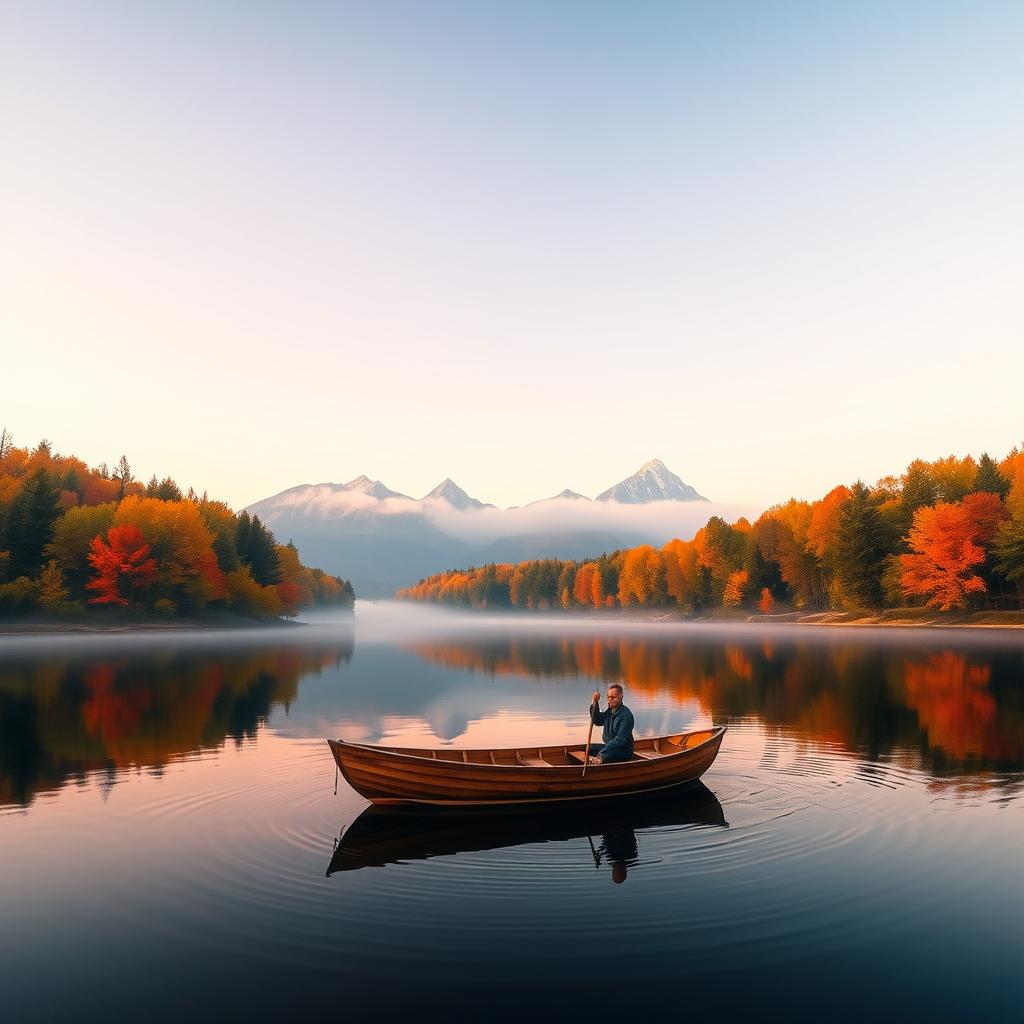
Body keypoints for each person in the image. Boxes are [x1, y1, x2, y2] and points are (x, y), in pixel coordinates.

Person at [586, 683, 635, 765]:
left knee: (604, 755)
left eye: (613, 697)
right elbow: (597, 720)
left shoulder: (626, 716)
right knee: (587, 748)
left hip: (623, 751)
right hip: (609, 747)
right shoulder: (609, 712)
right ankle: (596, 758)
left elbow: (619, 740)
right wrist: (595, 703)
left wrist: (602, 752)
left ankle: (598, 760)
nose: (610, 700)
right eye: (608, 697)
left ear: (621, 697)